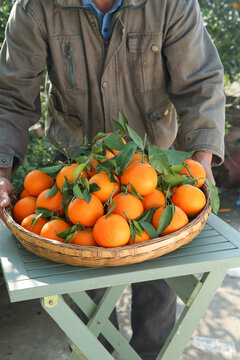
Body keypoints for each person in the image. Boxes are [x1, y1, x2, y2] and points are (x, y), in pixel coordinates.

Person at [0, 0, 225, 358]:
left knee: (159, 279)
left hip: (151, 172)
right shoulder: (36, 7)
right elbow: (9, 96)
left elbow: (200, 83)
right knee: (82, 288)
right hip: (76, 174)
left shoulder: (171, 5)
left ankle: (152, 354)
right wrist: (2, 172)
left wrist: (202, 162)